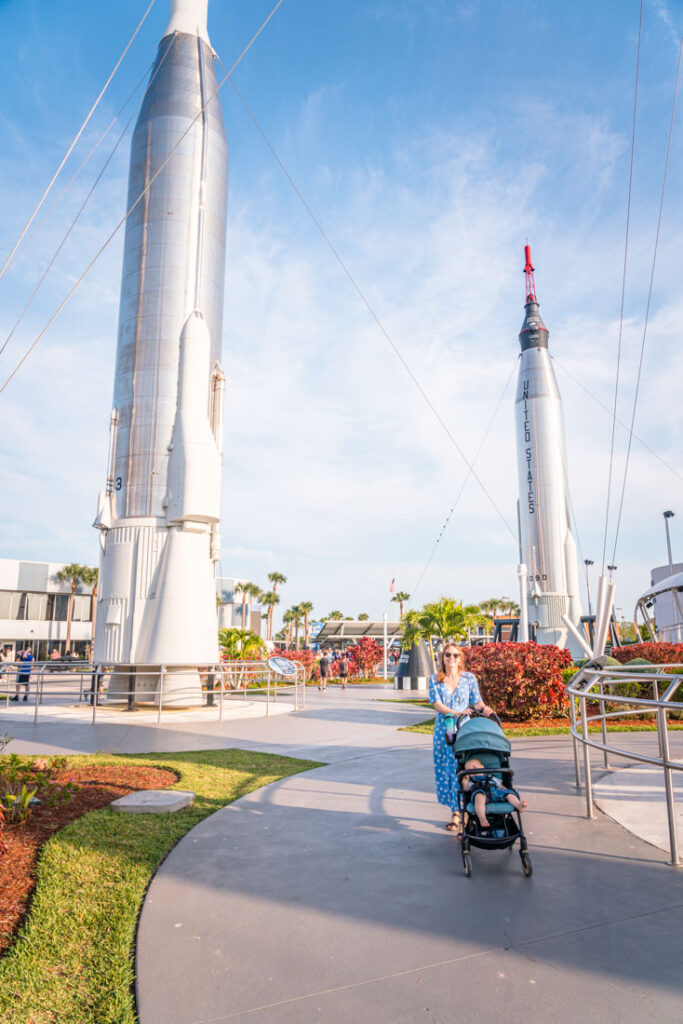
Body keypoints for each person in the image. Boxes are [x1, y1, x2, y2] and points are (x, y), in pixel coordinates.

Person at [428, 642, 492, 833]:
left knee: (463, 769)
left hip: (464, 731)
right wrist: (456, 713)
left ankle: (466, 812)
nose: (451, 659)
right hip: (444, 731)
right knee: (447, 771)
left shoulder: (469, 678)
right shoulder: (435, 679)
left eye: (455, 655)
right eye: (448, 655)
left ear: (460, 658)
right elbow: (437, 705)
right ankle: (455, 813)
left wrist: (484, 708)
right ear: (443, 658)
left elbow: (477, 700)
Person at [461, 757, 528, 834]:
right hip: (482, 793)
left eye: (474, 767)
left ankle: (519, 805)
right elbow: (466, 789)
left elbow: (501, 786)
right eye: (469, 771)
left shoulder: (491, 776)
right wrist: (465, 781)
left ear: (482, 767)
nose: (473, 771)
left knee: (509, 794)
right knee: (478, 797)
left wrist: (507, 791)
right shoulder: (473, 781)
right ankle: (482, 819)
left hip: (496, 793)